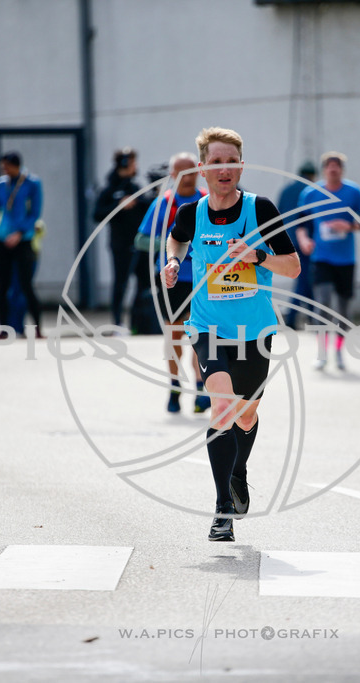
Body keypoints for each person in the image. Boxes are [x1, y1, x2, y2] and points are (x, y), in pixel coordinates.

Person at [163, 127, 300, 542]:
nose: (225, 169)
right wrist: (172, 263)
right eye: (217, 162)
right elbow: (176, 240)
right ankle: (222, 508)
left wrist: (257, 255)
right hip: (207, 326)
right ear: (203, 168)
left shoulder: (260, 209)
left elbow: (292, 266)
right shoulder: (191, 213)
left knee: (246, 414)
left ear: (241, 166)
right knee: (221, 410)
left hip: (254, 328)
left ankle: (238, 472)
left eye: (232, 162)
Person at [135, 152, 209, 413]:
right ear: (172, 175)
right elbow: (141, 240)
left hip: (203, 279)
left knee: (201, 335)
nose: (186, 178)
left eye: (190, 171)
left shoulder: (207, 202)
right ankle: (175, 387)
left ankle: (201, 391)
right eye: (180, 173)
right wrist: (172, 243)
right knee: (175, 335)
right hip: (171, 278)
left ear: (199, 172)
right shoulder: (163, 204)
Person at [296, 152, 360, 370]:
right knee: (323, 304)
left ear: (342, 170)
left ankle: (338, 350)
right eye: (329, 166)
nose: (333, 170)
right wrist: (303, 240)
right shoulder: (311, 193)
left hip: (346, 259)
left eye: (337, 166)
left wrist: (348, 226)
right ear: (324, 170)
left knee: (343, 310)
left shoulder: (354, 192)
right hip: (322, 258)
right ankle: (322, 353)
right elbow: (301, 222)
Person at [0, 152, 43, 337]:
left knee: (26, 285)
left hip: (23, 239)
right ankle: (3, 329)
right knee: (2, 285)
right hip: (3, 238)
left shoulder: (32, 183)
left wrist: (20, 233)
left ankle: (38, 328)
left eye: (6, 166)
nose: (4, 170)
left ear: (16, 165)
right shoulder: (1, 184)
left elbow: (35, 213)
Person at [94, 147, 150, 329]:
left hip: (140, 244)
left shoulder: (134, 187)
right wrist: (118, 205)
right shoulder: (109, 190)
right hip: (121, 245)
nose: (136, 166)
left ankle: (138, 321)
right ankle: (117, 322)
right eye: (133, 162)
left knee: (145, 283)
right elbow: (97, 214)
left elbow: (147, 209)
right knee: (121, 284)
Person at [276, 161, 316, 330]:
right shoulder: (310, 190)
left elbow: (277, 213)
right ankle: (292, 318)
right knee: (304, 279)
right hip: (304, 240)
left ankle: (312, 315)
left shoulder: (286, 190)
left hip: (287, 240)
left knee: (306, 278)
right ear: (312, 176)